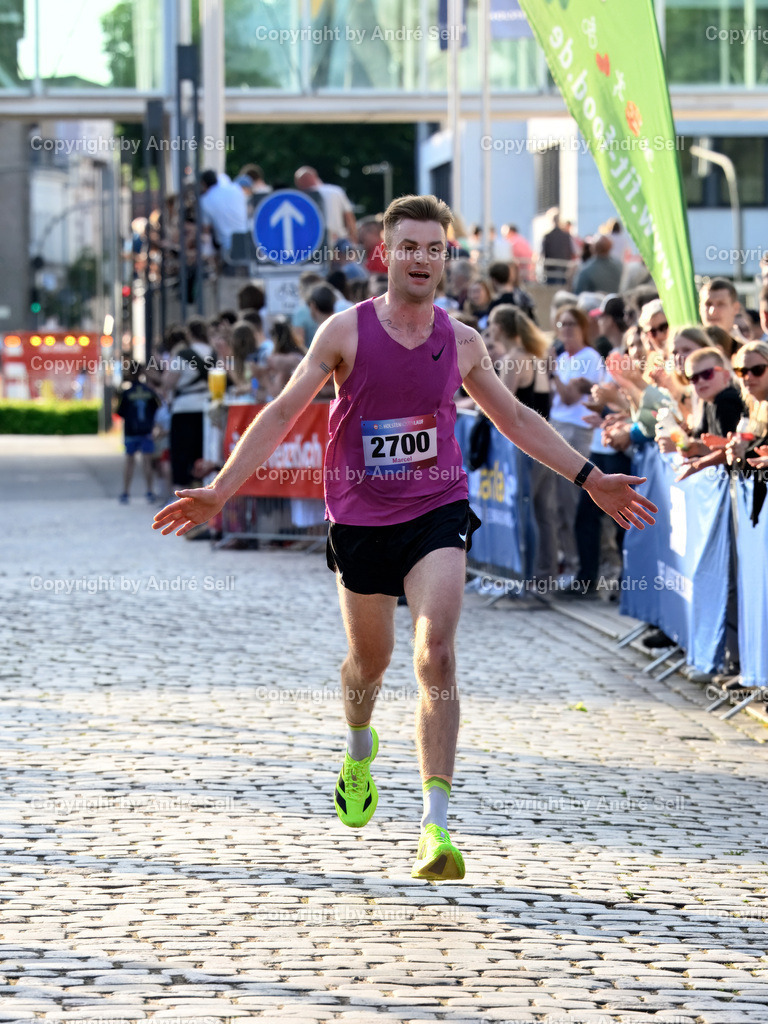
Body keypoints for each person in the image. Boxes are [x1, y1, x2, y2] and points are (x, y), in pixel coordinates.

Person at [153, 194, 656, 882]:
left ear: (447, 257)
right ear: (385, 254)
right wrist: (221, 489)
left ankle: (435, 827)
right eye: (410, 246)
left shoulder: (464, 341)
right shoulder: (344, 332)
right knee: (368, 666)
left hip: (435, 509)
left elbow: (513, 419)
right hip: (359, 520)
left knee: (437, 654)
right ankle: (359, 750)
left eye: (435, 248)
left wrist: (589, 474)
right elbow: (280, 412)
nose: (422, 259)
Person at [116, 360, 160, 504]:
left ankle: (125, 492)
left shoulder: (127, 393)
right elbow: (157, 409)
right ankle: (149, 491)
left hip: (130, 431)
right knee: (147, 461)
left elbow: (120, 412)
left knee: (129, 461)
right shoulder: (149, 392)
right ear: (142, 372)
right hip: (147, 431)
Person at [294, 166, 357, 245]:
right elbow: (349, 218)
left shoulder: (301, 198)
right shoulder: (336, 191)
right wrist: (354, 239)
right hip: (339, 240)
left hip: (314, 243)